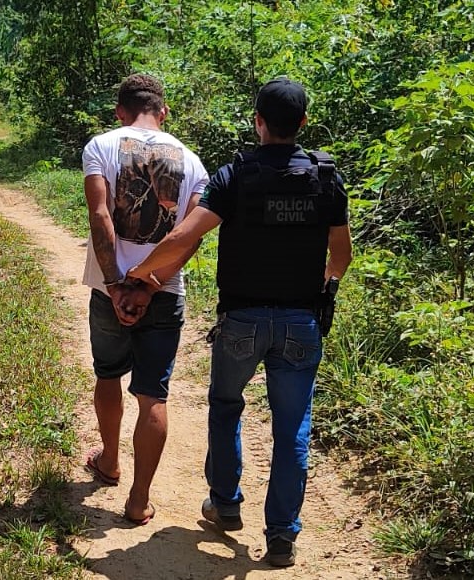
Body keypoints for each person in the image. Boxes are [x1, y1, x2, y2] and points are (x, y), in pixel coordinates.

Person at [128, 77, 353, 566]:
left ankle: (226, 504)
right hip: (301, 321)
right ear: (303, 123)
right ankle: (282, 535)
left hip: (241, 320)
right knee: (292, 428)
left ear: (258, 122)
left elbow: (184, 237)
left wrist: (140, 273)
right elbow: (341, 256)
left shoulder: (235, 176)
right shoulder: (325, 178)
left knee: (227, 404)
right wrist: (322, 288)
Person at [81, 73, 209, 525]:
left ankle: (110, 461)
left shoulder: (100, 147)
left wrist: (116, 283)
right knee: (153, 395)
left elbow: (100, 214)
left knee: (108, 374)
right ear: (163, 111)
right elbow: (188, 236)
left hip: (108, 289)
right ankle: (138, 500)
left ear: (121, 111)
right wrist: (152, 284)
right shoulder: (193, 162)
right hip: (165, 291)